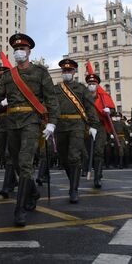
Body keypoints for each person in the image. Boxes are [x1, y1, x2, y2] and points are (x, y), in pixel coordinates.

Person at [0, 33, 59, 227]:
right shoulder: (8, 75)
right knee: (16, 163)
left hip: (31, 121)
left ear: (29, 51)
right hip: (11, 122)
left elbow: (51, 99)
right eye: (16, 50)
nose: (19, 52)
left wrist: (52, 122)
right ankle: (34, 193)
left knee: (24, 162)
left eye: (22, 49)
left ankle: (19, 210)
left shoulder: (40, 72)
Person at [53, 59, 99, 203]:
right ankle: (73, 180)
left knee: (74, 157)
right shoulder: (56, 89)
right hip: (60, 125)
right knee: (64, 158)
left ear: (74, 72)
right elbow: (50, 105)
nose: (67, 73)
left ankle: (73, 189)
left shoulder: (81, 88)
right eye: (64, 71)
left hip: (77, 125)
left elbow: (90, 107)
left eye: (69, 71)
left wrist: (93, 125)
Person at [0, 66, 18, 198]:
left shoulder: (13, 87)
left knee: (9, 154)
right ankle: (13, 180)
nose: (1, 78)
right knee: (2, 154)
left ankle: (6, 186)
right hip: (0, 124)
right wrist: (1, 105)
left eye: (3, 76)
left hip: (13, 122)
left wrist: (8, 104)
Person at [85, 72, 112, 188]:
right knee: (86, 152)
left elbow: (113, 110)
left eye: (93, 83)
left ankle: (97, 176)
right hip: (87, 126)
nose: (91, 85)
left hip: (100, 127)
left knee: (98, 151)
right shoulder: (84, 97)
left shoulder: (104, 98)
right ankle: (87, 170)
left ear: (97, 85)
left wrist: (109, 111)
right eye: (89, 83)